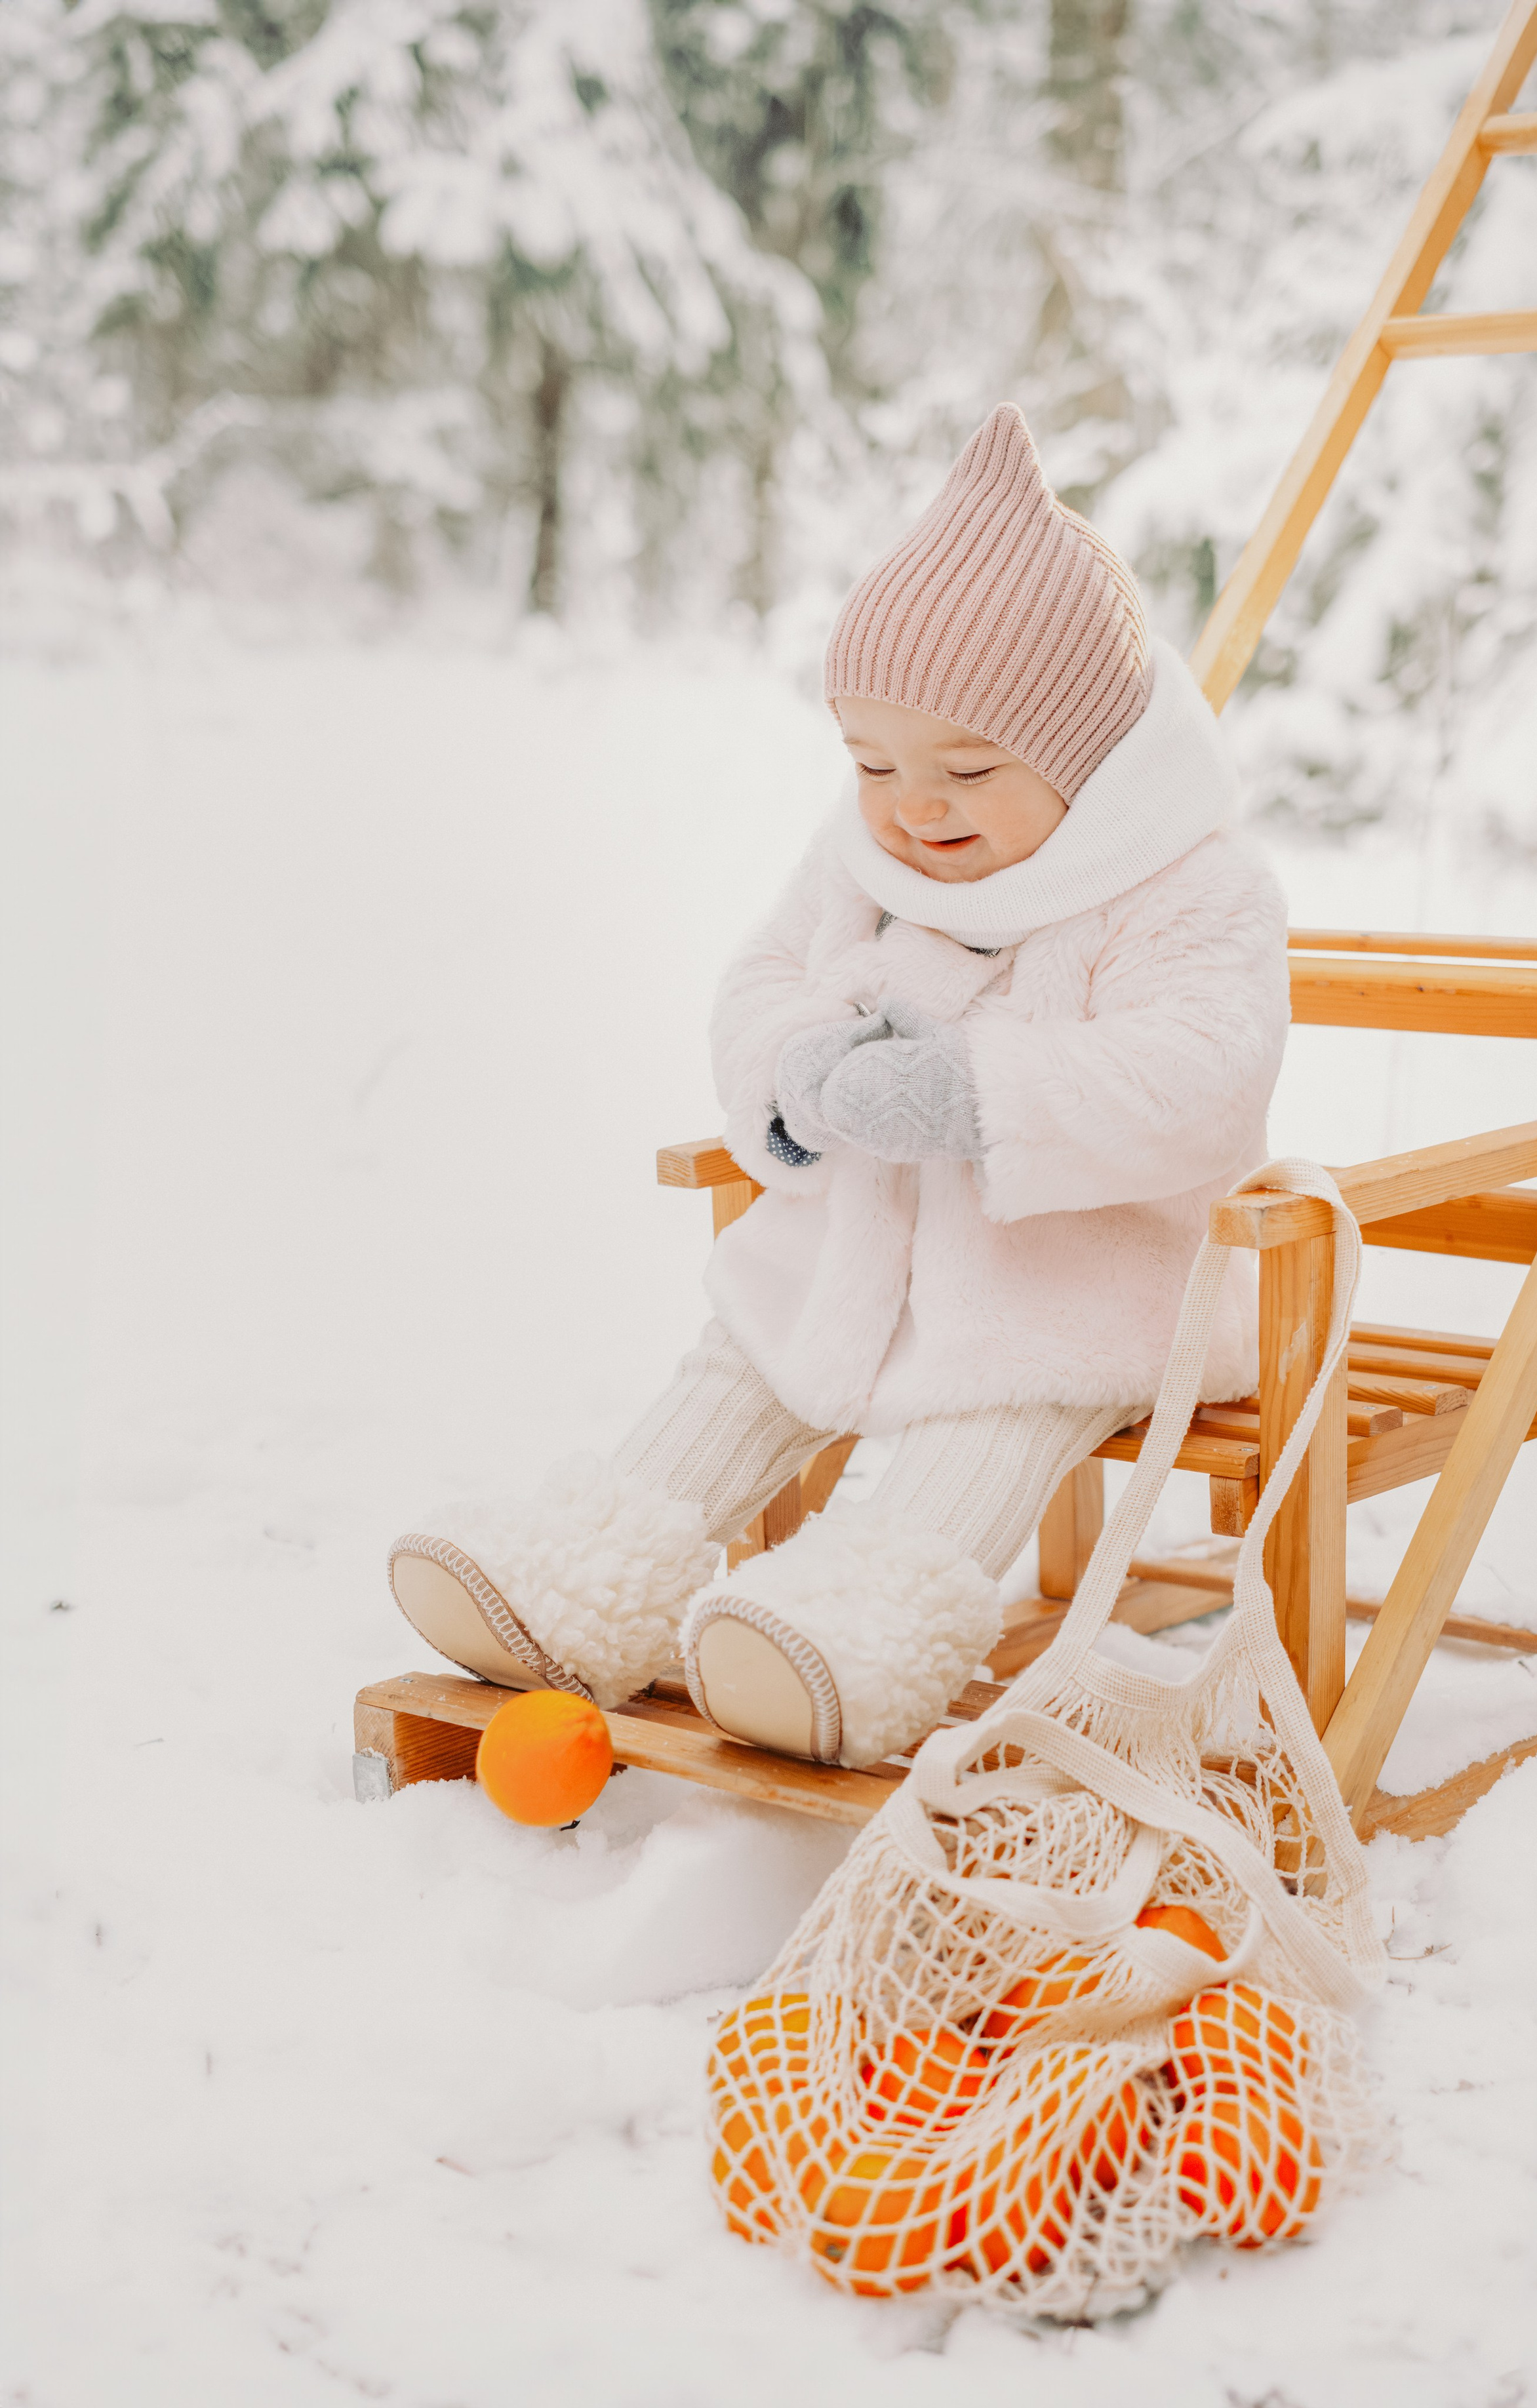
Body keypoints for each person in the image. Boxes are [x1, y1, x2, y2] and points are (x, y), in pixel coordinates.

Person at [388, 405, 1289, 1770]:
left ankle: (857, 1642)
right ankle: (576, 1581)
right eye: (870, 765)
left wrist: (981, 1093)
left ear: (1088, 760)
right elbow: (761, 976)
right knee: (744, 1348)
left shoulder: (1188, 887)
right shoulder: (862, 858)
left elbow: (1203, 1078)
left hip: (1072, 1278)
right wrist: (793, 1063)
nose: (910, 807)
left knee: (990, 1411)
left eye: (967, 770)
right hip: (850, 1242)